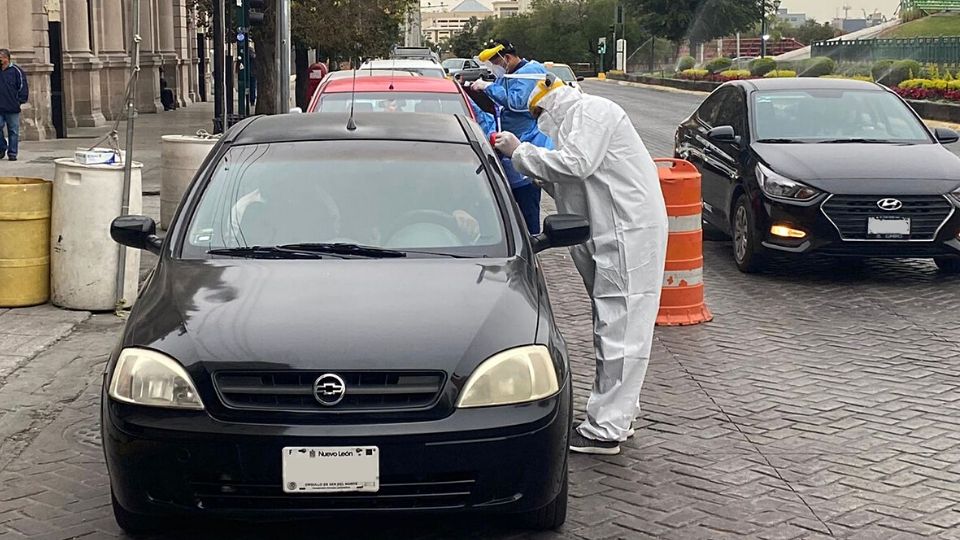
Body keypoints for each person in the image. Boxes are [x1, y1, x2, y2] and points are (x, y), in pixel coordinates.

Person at [494, 75, 668, 456]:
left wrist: (519, 152)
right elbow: (567, 183)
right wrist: (528, 164)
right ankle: (619, 413)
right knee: (614, 322)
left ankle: (606, 429)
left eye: (537, 113)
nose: (538, 121)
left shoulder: (594, 112)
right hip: (609, 232)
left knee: (620, 326)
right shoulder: (575, 123)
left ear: (548, 103)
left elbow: (576, 165)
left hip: (627, 231)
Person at [470, 39, 551, 235]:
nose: (495, 69)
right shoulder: (510, 74)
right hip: (508, 151)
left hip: (525, 147)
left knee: (527, 211)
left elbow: (516, 102)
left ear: (506, 58)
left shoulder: (530, 74)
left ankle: (533, 247)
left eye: (495, 63)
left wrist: (487, 88)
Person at [0, 49, 29, 162]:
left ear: (6, 58)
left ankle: (12, 153)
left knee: (13, 131)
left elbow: (22, 86)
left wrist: (20, 101)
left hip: (12, 107)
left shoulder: (16, 71)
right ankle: (2, 147)